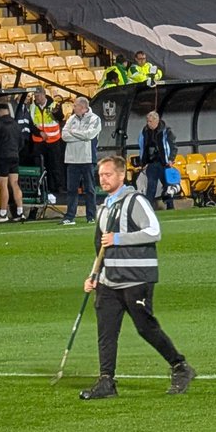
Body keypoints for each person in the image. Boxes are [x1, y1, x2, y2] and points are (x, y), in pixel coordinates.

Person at [79, 155, 195, 400]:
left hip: (136, 277)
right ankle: (106, 380)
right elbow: (99, 248)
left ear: (122, 175)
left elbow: (154, 231)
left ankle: (180, 366)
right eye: (100, 175)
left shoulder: (136, 201)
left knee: (146, 327)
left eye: (108, 174)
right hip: (109, 280)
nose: (103, 179)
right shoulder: (104, 208)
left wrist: (119, 238)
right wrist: (93, 275)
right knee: (106, 331)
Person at [60, 96, 101, 224]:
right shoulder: (71, 119)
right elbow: (64, 135)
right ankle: (69, 216)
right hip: (72, 159)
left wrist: (73, 132)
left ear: (83, 107)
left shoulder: (95, 119)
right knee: (71, 189)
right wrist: (80, 134)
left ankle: (91, 216)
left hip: (87, 158)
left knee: (89, 189)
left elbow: (89, 135)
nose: (73, 107)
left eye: (75, 105)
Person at [0, 102, 23, 222]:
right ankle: (20, 212)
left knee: (3, 184)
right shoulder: (15, 124)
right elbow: (21, 142)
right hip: (15, 156)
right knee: (15, 183)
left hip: (3, 157)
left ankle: (3, 213)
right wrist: (16, 151)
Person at [135, 109, 173, 208]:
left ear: (157, 121)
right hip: (151, 163)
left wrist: (171, 159)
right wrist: (143, 163)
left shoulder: (166, 131)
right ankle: (149, 207)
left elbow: (173, 146)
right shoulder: (145, 132)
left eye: (150, 121)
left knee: (167, 186)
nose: (148, 123)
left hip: (164, 164)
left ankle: (170, 206)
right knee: (151, 187)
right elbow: (143, 148)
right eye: (147, 121)